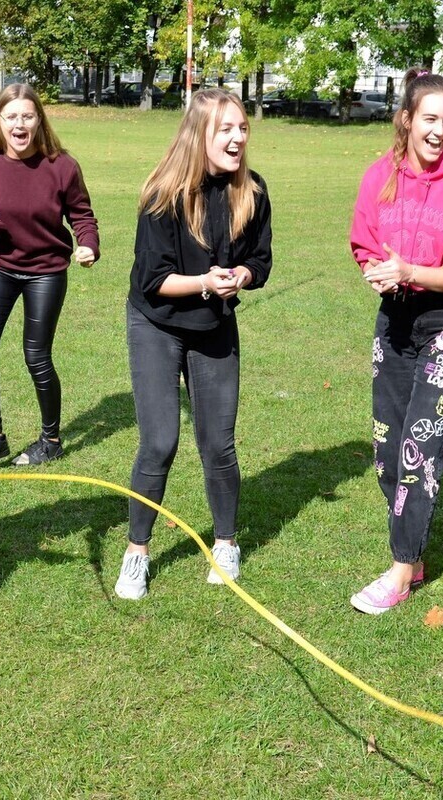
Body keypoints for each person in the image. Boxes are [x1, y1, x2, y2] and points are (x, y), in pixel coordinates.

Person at [113, 88, 272, 600]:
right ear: (198, 135)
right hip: (156, 323)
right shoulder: (163, 193)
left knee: (217, 443)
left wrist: (242, 275)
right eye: (225, 129)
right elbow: (152, 280)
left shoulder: (252, 191)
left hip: (214, 325)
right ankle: (137, 551)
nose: (237, 138)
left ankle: (226, 544)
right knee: (159, 442)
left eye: (242, 128)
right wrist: (206, 281)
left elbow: (261, 260)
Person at [348, 69, 443, 614]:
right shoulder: (379, 175)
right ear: (406, 120)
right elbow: (364, 242)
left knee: (419, 447)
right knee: (388, 450)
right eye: (429, 119)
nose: (439, 131)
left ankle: (400, 571)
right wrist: (377, 271)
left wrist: (410, 270)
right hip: (396, 319)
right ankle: (413, 555)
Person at [0, 83, 100, 469]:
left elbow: (82, 215)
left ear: (39, 120)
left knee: (36, 357)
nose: (19, 125)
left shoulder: (63, 166)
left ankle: (50, 441)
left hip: (45, 272)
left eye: (27, 116)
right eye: (11, 117)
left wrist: (88, 245)